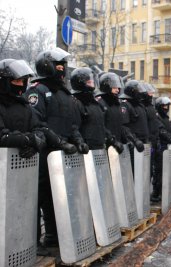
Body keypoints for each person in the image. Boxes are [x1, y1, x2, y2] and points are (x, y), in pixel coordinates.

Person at [26, 48, 86, 253]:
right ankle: (47, 236)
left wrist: (78, 140)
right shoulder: (38, 90)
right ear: (47, 66)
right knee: (43, 195)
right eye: (58, 66)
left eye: (64, 66)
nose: (62, 70)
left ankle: (57, 235)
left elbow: (71, 123)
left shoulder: (64, 93)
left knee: (62, 194)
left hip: (64, 152)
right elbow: (37, 121)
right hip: (46, 152)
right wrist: (60, 142)